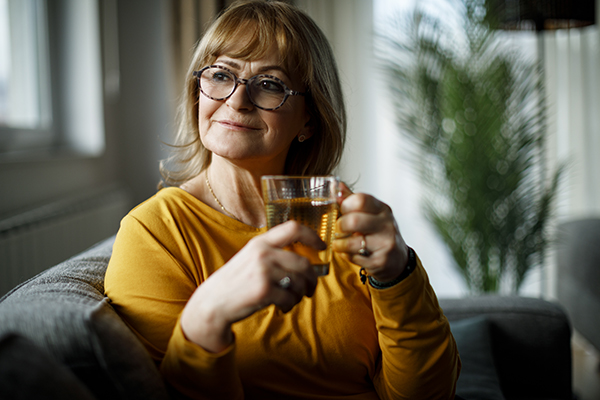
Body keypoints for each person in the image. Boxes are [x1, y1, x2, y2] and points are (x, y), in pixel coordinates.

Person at [104, 1, 461, 399]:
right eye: (221, 75)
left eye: (270, 84)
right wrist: (209, 315)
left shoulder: (347, 224)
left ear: (309, 119)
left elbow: (428, 394)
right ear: (197, 91)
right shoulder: (155, 232)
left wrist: (398, 272)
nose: (237, 101)